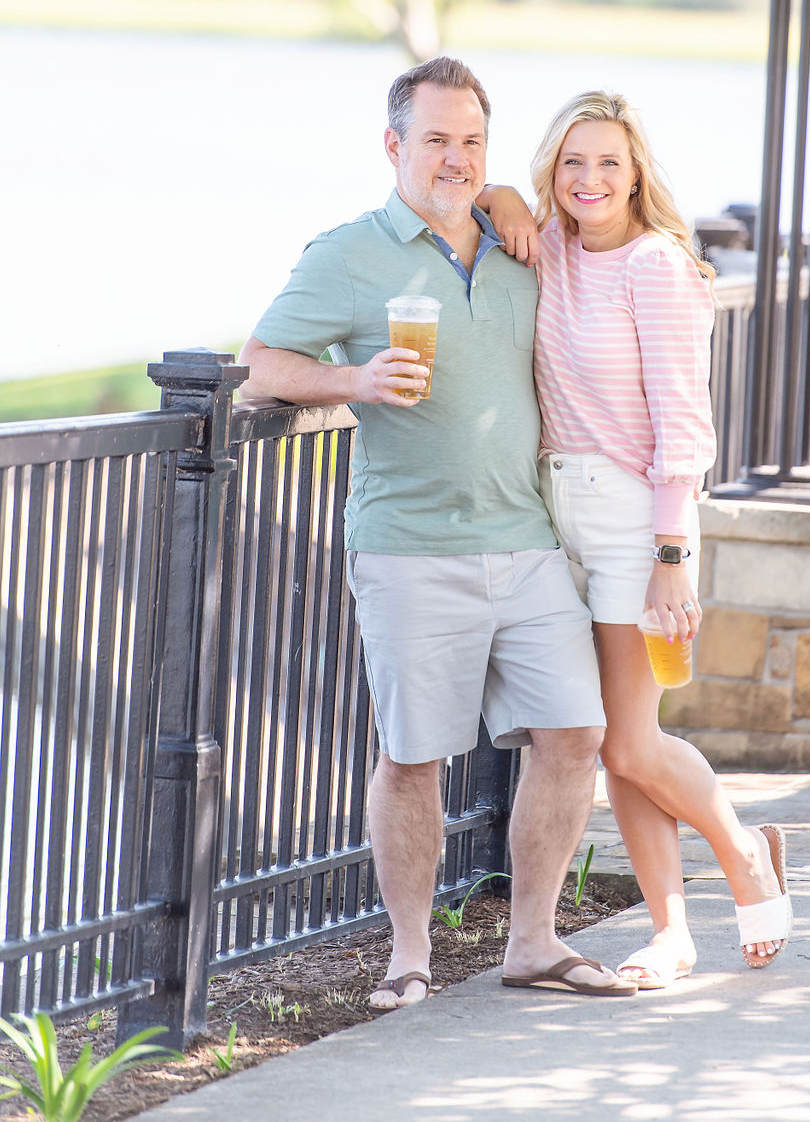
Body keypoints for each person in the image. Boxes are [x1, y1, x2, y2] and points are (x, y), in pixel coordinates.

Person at [236, 57, 637, 1009]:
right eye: (435, 140)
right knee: (414, 757)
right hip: (410, 546)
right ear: (392, 145)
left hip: (528, 537)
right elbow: (261, 363)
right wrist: (358, 382)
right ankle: (408, 956)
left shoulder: (521, 241)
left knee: (576, 733)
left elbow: (599, 226)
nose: (455, 160)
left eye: (472, 143)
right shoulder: (347, 254)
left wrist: (505, 197)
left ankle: (533, 942)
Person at [481, 91, 793, 988]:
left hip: (635, 524)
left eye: (608, 163)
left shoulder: (657, 268)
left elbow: (682, 430)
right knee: (609, 736)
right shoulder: (550, 248)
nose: (589, 179)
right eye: (573, 162)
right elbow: (480, 197)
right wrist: (501, 193)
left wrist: (671, 558)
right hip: (551, 517)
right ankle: (670, 933)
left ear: (637, 173)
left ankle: (742, 854)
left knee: (630, 744)